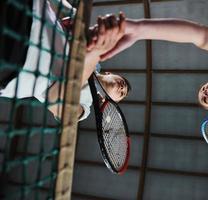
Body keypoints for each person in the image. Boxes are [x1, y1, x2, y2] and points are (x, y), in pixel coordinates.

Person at [0, 0, 131, 121]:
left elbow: (54, 99)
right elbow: (68, 18)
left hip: (15, 68)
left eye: (122, 95)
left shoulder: (84, 107)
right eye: (123, 82)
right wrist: (74, 16)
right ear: (109, 73)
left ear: (109, 101)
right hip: (31, 11)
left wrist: (91, 58)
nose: (122, 88)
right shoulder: (93, 50)